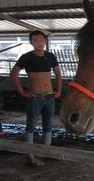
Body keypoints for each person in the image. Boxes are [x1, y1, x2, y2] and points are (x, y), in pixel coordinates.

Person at [10, 30, 62, 166]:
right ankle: (30, 155)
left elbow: (58, 73)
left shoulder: (50, 56)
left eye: (41, 40)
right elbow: (13, 73)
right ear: (31, 42)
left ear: (45, 41)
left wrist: (59, 90)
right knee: (31, 126)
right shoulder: (26, 57)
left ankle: (46, 151)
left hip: (49, 97)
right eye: (35, 40)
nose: (39, 43)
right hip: (35, 97)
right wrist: (22, 92)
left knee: (48, 125)